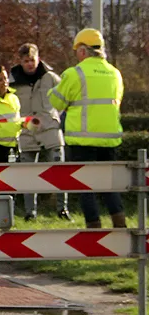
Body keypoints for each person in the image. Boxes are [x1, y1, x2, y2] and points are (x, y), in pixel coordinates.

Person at [50, 28, 125, 228]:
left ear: (83, 51)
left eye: (77, 50)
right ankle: (120, 227)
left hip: (82, 140)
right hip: (110, 139)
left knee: (86, 187)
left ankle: (94, 230)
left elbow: (56, 102)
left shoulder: (75, 73)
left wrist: (52, 89)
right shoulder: (115, 73)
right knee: (110, 185)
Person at [10, 44, 69, 221]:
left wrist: (56, 116)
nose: (29, 64)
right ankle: (30, 213)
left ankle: (62, 209)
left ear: (39, 58)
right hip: (26, 130)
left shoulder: (50, 77)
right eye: (25, 61)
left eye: (32, 60)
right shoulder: (13, 80)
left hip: (50, 128)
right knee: (28, 174)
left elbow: (65, 96)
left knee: (59, 170)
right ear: (20, 61)